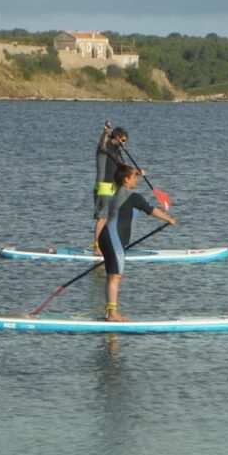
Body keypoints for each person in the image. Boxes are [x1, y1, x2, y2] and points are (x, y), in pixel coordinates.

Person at [98, 164, 176, 322]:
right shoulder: (134, 197)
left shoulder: (116, 194)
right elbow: (151, 210)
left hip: (105, 236)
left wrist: (137, 173)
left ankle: (109, 313)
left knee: (112, 276)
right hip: (115, 239)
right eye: (134, 178)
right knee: (115, 277)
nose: (136, 180)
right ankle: (112, 314)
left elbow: (124, 175)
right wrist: (169, 219)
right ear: (126, 179)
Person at [93, 124, 135, 254]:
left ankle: (108, 243)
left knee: (114, 216)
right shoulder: (105, 147)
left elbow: (123, 167)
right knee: (102, 217)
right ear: (116, 137)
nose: (124, 143)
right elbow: (101, 143)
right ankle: (97, 247)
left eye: (125, 141)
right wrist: (105, 133)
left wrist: (137, 172)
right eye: (122, 140)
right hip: (103, 186)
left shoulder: (118, 150)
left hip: (114, 187)